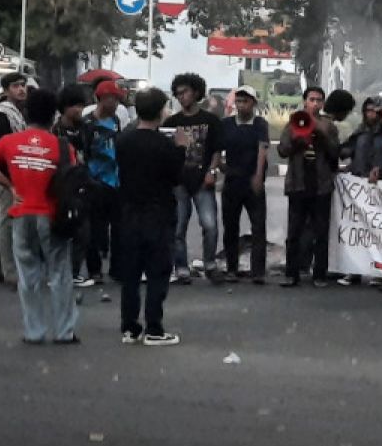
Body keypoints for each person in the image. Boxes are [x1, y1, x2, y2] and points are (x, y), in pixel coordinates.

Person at [0, 88, 79, 344]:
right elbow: (72, 180)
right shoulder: (63, 147)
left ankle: (34, 331)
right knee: (59, 274)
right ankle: (64, 331)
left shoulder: (10, 142)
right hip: (52, 215)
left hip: (21, 213)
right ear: (53, 115)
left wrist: (10, 185)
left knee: (28, 274)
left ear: (26, 112)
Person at [114, 87, 188, 346]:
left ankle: (130, 327)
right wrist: (182, 149)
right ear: (159, 111)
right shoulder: (165, 145)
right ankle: (154, 328)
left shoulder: (123, 140)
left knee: (131, 275)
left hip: (129, 213)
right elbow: (176, 177)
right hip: (158, 213)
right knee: (158, 273)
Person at [278, 86, 340, 288]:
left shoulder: (328, 125)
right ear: (305, 101)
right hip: (298, 184)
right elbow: (282, 150)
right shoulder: (292, 123)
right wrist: (298, 139)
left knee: (321, 233)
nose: (315, 103)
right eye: (312, 99)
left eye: (319, 100)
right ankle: (291, 273)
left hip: (321, 185)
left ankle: (319, 274)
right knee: (294, 232)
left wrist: (320, 134)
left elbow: (334, 154)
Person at [164, 73, 223, 283]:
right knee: (178, 227)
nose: (182, 97)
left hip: (202, 180)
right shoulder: (172, 122)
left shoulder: (211, 121)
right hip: (179, 182)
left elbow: (217, 150)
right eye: (178, 94)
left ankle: (210, 264)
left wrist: (212, 171)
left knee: (210, 225)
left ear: (196, 92)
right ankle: (181, 268)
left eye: (185, 92)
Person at [220, 86, 270, 283]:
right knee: (230, 226)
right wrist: (219, 167)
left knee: (258, 227)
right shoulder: (226, 124)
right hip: (232, 180)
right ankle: (232, 268)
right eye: (239, 101)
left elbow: (262, 149)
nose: (241, 105)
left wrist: (258, 175)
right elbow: (219, 147)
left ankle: (258, 271)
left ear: (253, 103)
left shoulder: (260, 124)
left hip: (252, 180)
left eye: (245, 101)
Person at [0, 71, 28, 286]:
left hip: (13, 172)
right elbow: (0, 149)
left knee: (3, 218)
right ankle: (9, 270)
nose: (21, 89)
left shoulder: (17, 113)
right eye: (15, 86)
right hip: (5, 174)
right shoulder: (2, 115)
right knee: (8, 218)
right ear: (5, 90)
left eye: (23, 85)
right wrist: (7, 178)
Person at [82, 80, 124, 292]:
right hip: (94, 181)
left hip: (115, 181)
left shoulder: (116, 121)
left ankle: (117, 269)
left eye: (117, 99)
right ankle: (94, 270)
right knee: (94, 229)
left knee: (118, 228)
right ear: (102, 99)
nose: (116, 103)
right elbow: (84, 152)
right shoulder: (88, 123)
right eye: (112, 99)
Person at [52, 84, 93, 286]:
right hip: (60, 186)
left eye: (81, 105)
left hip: (82, 184)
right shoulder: (56, 130)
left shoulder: (85, 128)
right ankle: (58, 274)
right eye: (74, 106)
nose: (78, 110)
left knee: (83, 231)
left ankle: (73, 272)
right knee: (60, 231)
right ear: (64, 108)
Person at [345, 97, 382, 177]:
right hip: (360, 180)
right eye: (368, 111)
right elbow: (351, 152)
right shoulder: (360, 132)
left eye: (373, 111)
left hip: (381, 179)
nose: (370, 114)